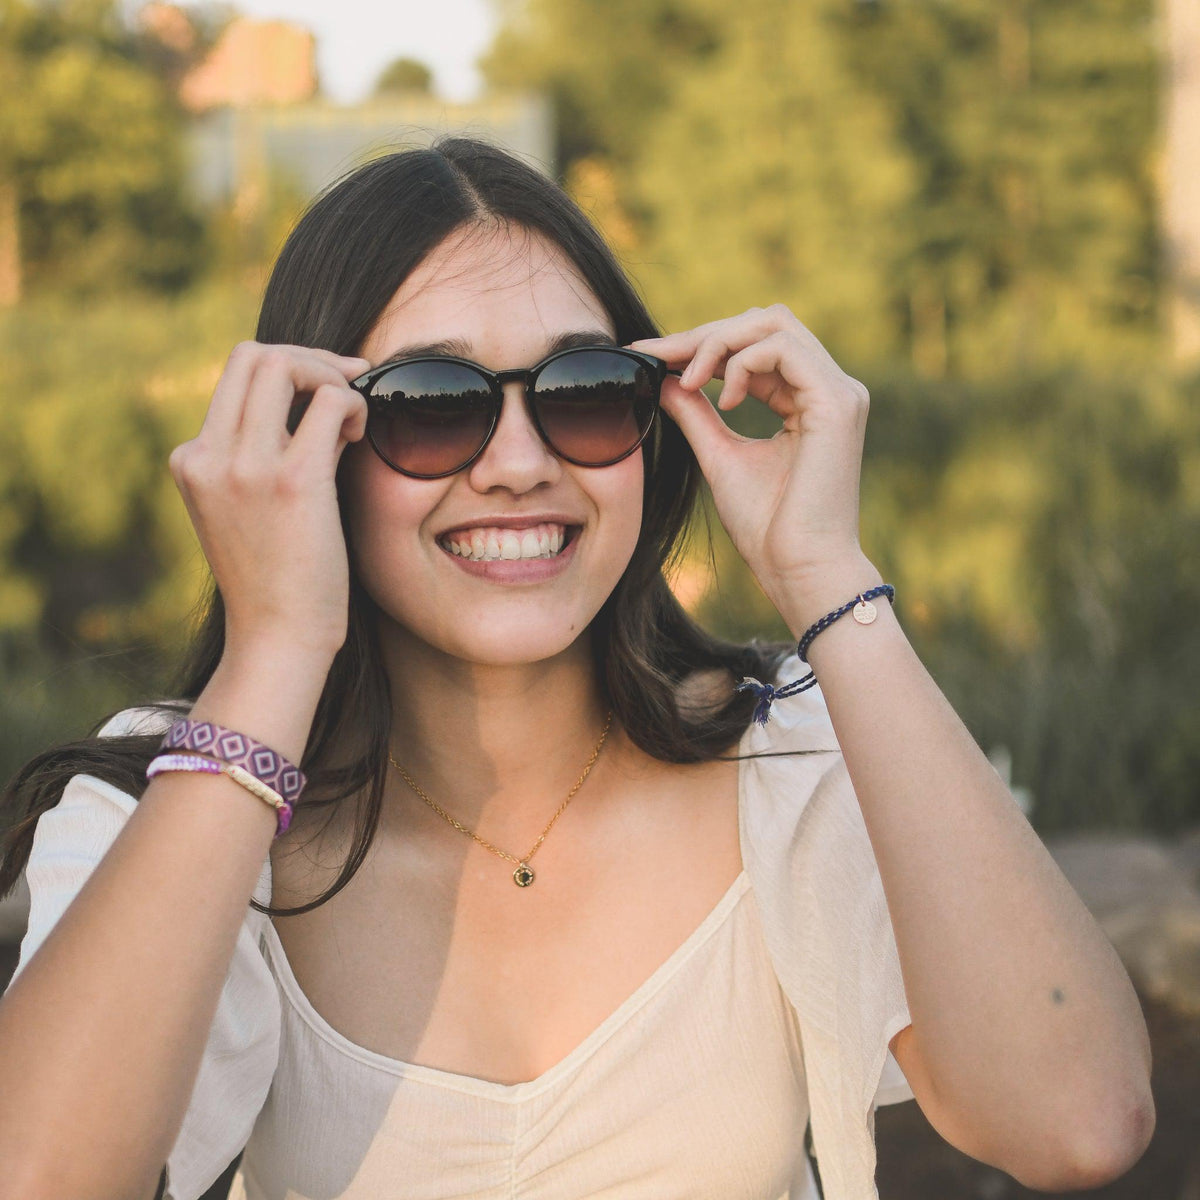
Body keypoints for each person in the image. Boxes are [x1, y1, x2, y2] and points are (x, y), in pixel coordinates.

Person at [0, 136, 1154, 1200]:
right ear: (312, 443)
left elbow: (1077, 1124)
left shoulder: (785, 754)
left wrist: (827, 578)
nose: (517, 462)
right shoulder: (183, 804)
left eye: (584, 393)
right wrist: (276, 650)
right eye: (428, 406)